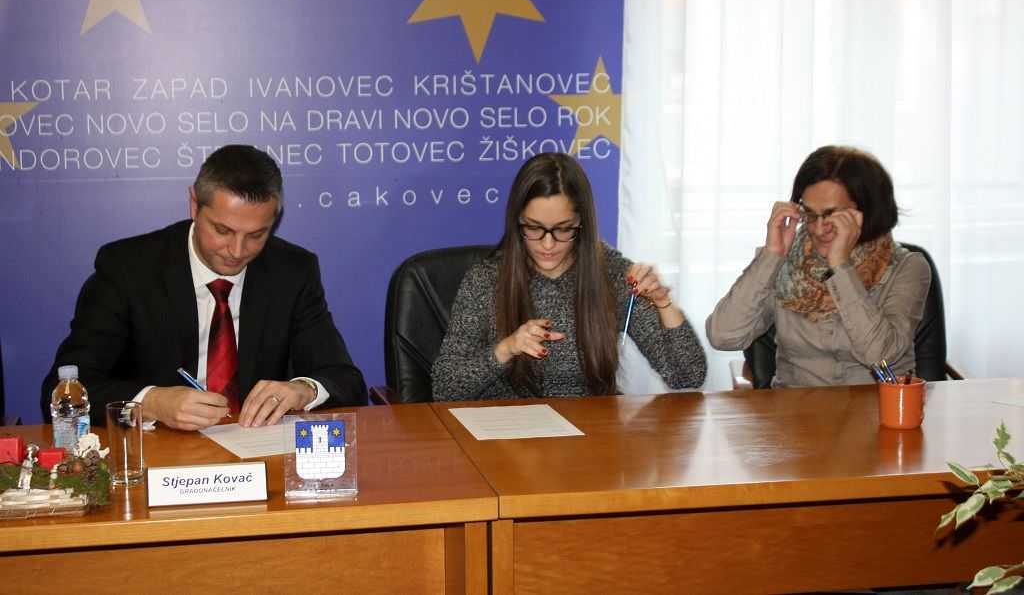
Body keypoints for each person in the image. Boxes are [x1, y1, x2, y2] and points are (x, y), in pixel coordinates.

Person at [41, 145, 367, 429]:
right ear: (194, 206)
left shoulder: (292, 272)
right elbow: (63, 390)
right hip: (159, 455)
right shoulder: (128, 268)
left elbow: (346, 381)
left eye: (256, 235)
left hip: (256, 454)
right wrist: (151, 403)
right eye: (222, 230)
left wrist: (303, 390)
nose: (237, 251)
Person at [432, 152, 707, 400]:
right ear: (517, 222)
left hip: (591, 432)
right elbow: (445, 388)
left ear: (582, 223)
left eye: (563, 229)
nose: (548, 244)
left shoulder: (613, 274)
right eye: (534, 228)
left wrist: (663, 303)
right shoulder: (485, 280)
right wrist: (507, 348)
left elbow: (688, 376)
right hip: (506, 432)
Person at [706, 145, 931, 387]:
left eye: (833, 214)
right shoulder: (787, 262)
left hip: (877, 406)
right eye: (810, 214)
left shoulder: (908, 267)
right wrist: (771, 256)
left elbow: (881, 356)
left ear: (868, 210)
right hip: (796, 405)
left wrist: (840, 267)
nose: (819, 228)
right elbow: (723, 337)